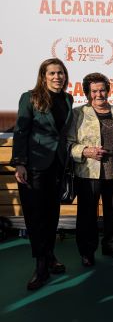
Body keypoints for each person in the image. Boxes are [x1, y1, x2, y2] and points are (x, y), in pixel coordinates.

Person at [11, 58, 73, 290]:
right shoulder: (30, 97)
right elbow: (20, 131)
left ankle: (50, 255)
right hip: (34, 167)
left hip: (57, 166)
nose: (57, 77)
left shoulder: (68, 98)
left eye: (61, 73)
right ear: (43, 76)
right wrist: (20, 163)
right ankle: (40, 266)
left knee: (51, 214)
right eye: (52, 73)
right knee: (35, 217)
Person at [68, 73, 113, 267]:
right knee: (87, 214)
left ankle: (111, 246)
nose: (99, 94)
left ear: (108, 90)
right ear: (88, 93)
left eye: (102, 90)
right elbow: (68, 143)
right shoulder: (78, 113)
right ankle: (87, 252)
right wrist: (85, 151)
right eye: (94, 91)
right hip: (88, 173)